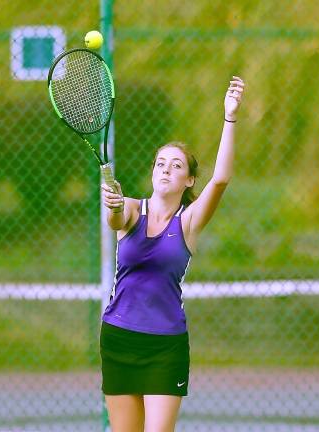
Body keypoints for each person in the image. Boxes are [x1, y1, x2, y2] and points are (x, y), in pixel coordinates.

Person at [98, 76, 245, 432]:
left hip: (165, 346)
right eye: (160, 163)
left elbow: (221, 179)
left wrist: (230, 117)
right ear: (152, 171)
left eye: (176, 165)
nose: (166, 169)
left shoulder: (189, 223)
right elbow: (115, 217)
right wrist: (113, 204)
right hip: (119, 337)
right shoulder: (131, 209)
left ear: (189, 181)